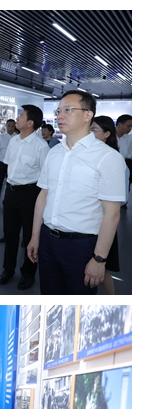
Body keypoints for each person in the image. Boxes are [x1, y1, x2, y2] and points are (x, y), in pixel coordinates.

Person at [27, 91, 126, 295]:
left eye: (68, 110)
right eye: (58, 111)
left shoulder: (107, 157)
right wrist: (35, 236)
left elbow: (112, 214)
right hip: (48, 240)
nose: (60, 116)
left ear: (88, 115)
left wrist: (99, 259)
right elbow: (43, 195)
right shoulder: (54, 152)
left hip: (81, 245)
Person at [0, 105, 49, 290]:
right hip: (11, 191)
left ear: (30, 122)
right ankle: (8, 269)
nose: (16, 118)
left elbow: (46, 176)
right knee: (10, 234)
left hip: (30, 194)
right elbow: (9, 164)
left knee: (29, 236)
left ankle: (28, 273)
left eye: (21, 115)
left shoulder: (41, 146)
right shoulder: (14, 141)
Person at [90, 116, 128, 295]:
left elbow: (118, 203)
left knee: (101, 268)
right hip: (87, 223)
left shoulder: (112, 158)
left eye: (94, 130)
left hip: (102, 224)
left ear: (106, 134)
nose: (89, 134)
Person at [0, 119, 17, 211]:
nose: (10, 128)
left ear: (15, 127)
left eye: (12, 126)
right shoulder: (0, 137)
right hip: (2, 163)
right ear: (6, 126)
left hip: (12, 164)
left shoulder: (17, 137)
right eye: (9, 126)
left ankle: (7, 202)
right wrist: (3, 160)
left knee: (10, 184)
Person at [115, 114, 132, 185]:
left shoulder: (129, 139)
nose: (130, 128)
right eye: (128, 126)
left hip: (123, 166)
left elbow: (129, 155)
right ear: (119, 124)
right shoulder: (108, 136)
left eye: (131, 126)